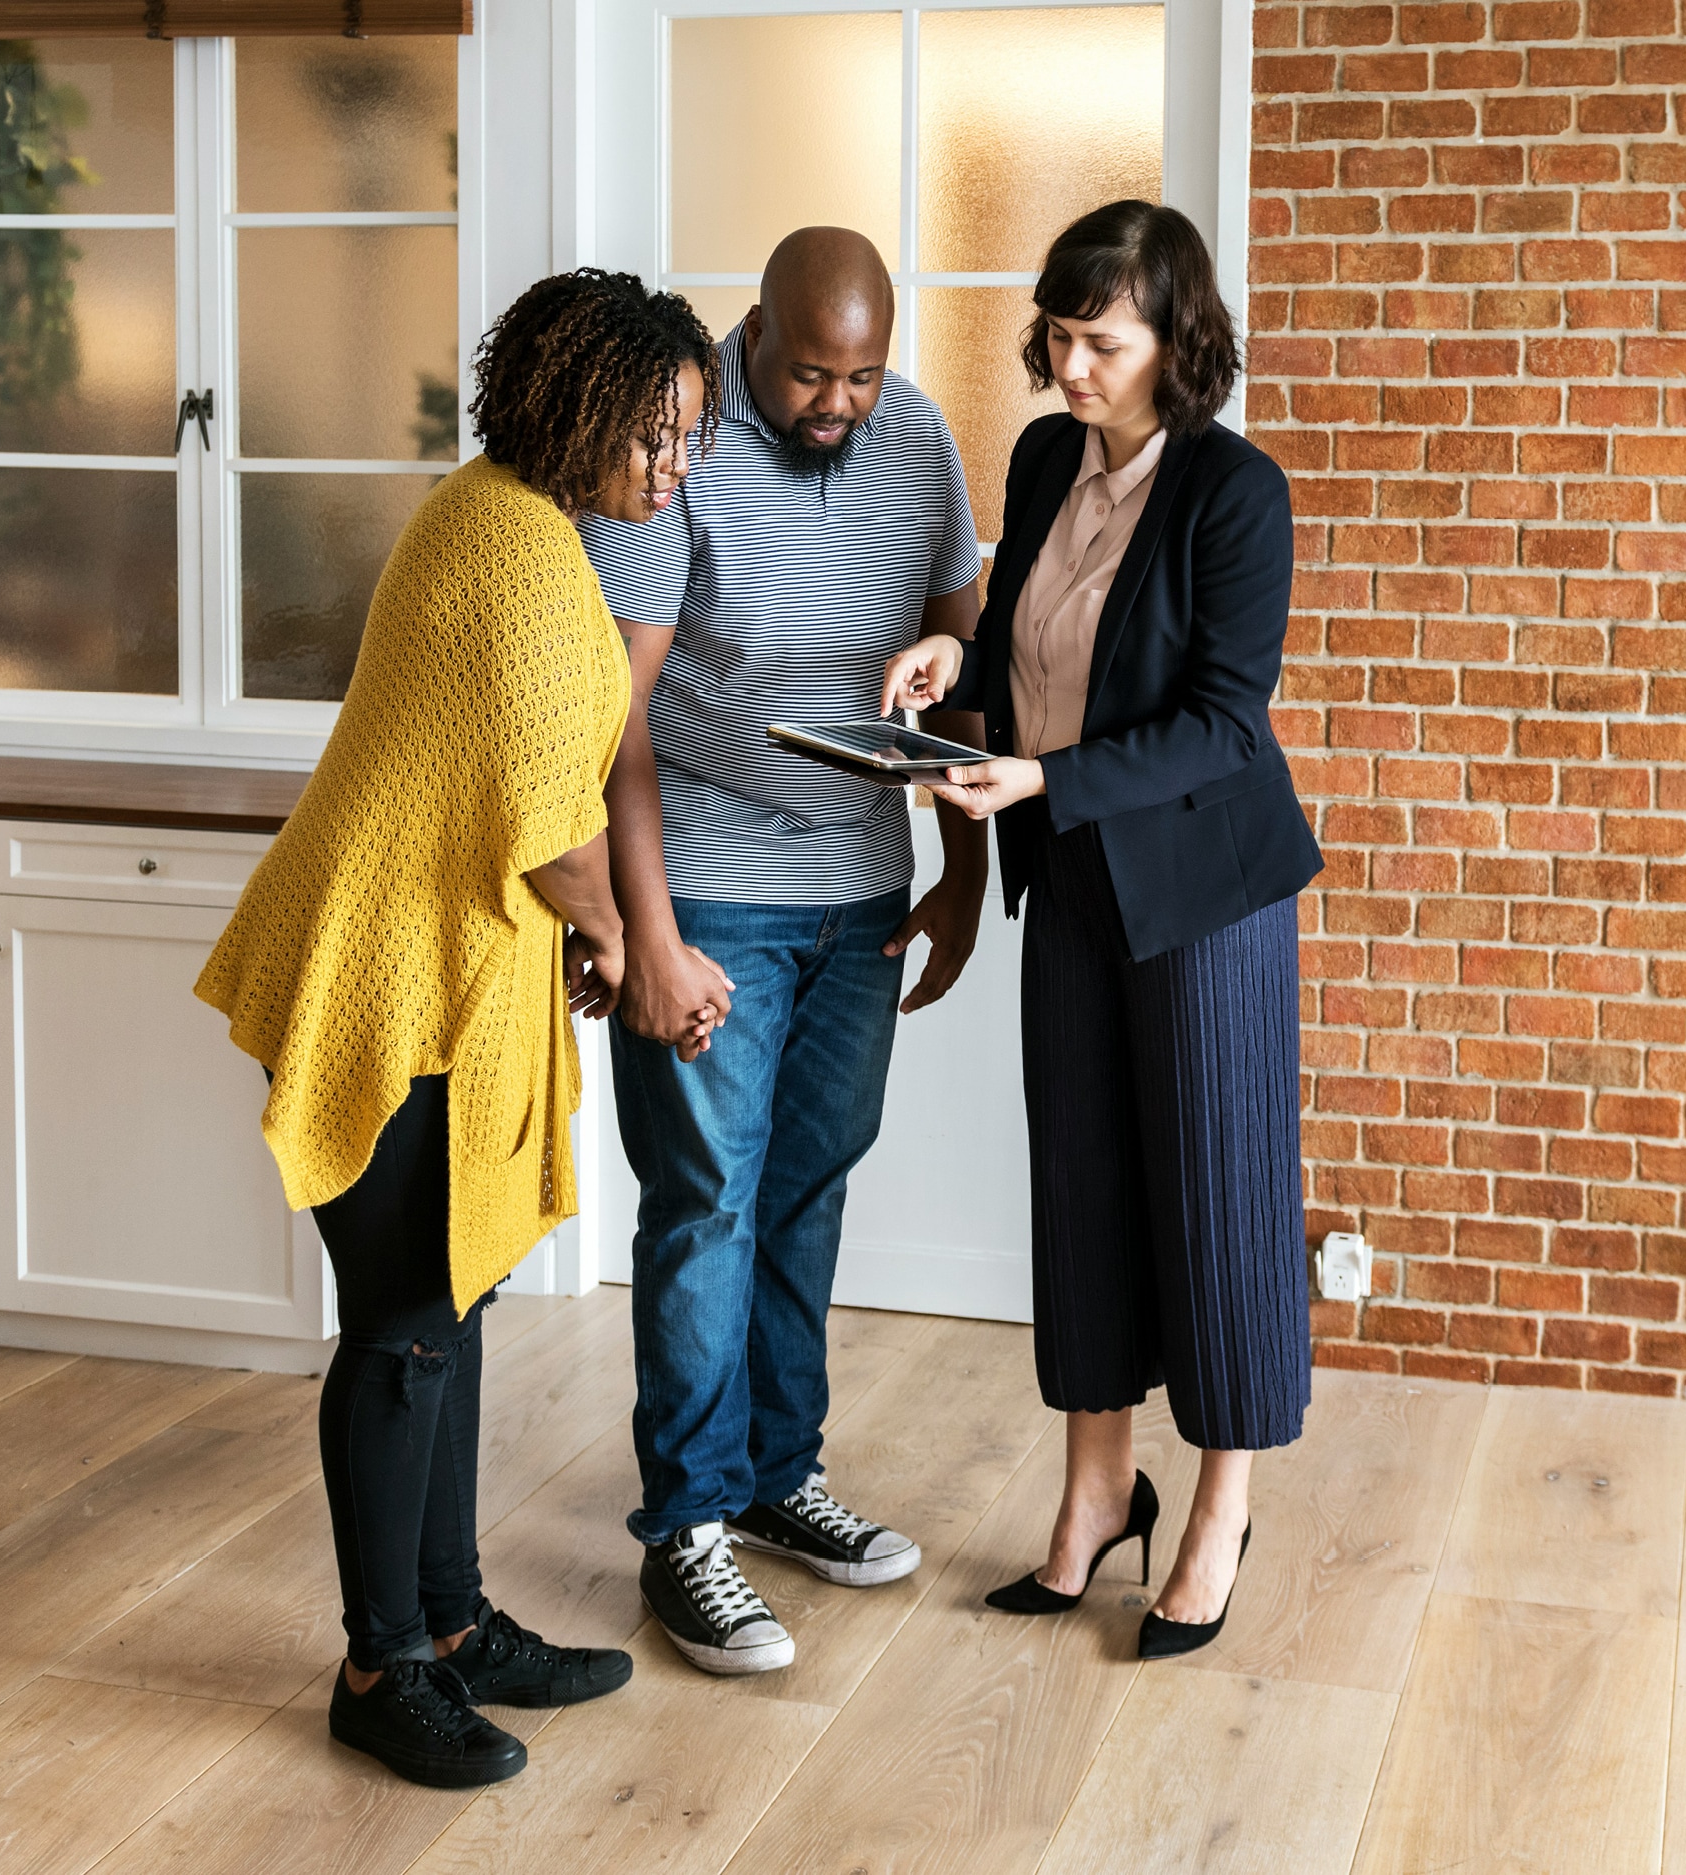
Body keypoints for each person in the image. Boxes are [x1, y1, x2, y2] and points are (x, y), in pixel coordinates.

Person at [194, 269, 720, 1786]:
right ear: (574, 407)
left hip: (436, 967)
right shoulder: (516, 556)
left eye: (687, 437)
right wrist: (628, 946)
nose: (670, 463)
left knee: (447, 1300)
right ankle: (378, 1667)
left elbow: (531, 804)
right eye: (653, 431)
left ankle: (447, 1624)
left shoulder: (509, 520)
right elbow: (551, 829)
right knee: (405, 1332)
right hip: (391, 977)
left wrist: (601, 937)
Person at [883, 200, 1319, 1661]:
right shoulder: (1036, 457)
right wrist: (959, 660)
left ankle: (1218, 1506)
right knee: (1079, 1189)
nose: (1069, 367)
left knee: (1215, 1197)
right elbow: (1021, 625)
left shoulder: (1234, 493)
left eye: (1103, 342)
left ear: (1175, 342)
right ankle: (1091, 1496)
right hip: (1065, 875)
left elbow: (1219, 722)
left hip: (1203, 900)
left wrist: (1043, 776)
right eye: (1058, 337)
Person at [574, 226, 990, 1675]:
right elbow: (612, 722)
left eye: (863, 375)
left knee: (805, 1190)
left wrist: (958, 871)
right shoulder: (676, 444)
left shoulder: (919, 436)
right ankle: (685, 1522)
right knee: (703, 1204)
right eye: (814, 374)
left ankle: (770, 1478)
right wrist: (648, 933)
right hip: (712, 893)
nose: (840, 402)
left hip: (862, 892)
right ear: (756, 336)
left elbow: (957, 661)